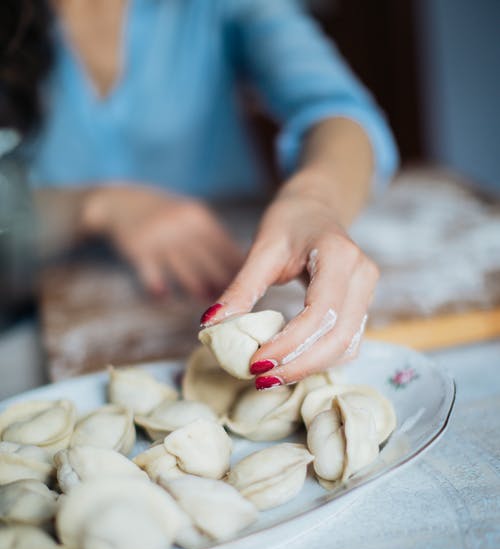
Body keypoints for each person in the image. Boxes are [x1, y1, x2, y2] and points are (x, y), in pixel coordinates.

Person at [2, 0, 398, 388]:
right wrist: (92, 207)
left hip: (234, 276)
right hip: (47, 313)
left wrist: (314, 198)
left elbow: (340, 111)